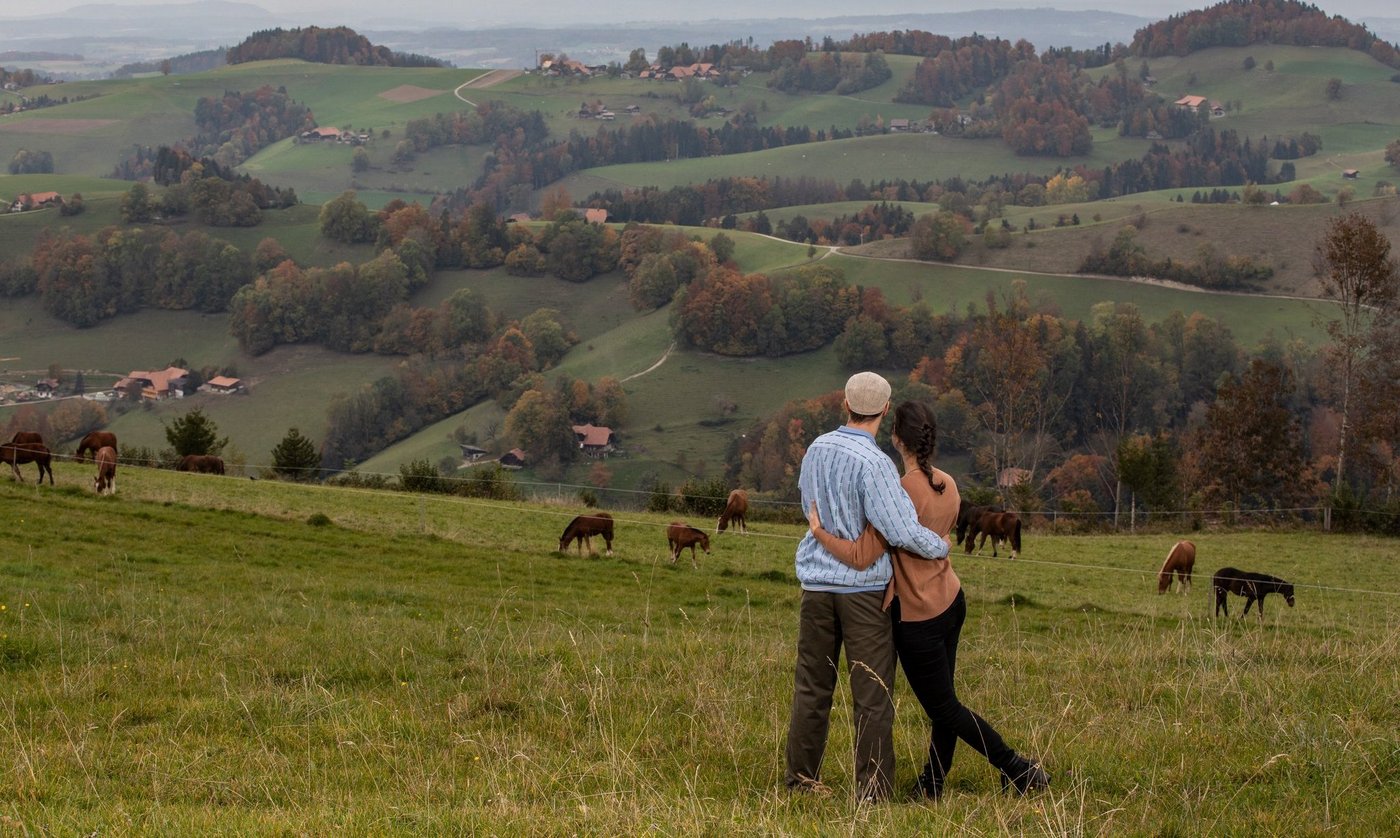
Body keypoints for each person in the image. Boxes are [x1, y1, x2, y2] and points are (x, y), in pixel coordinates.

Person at [808, 400, 1050, 798]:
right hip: (951, 600)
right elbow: (941, 538)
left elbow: (860, 555)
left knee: (945, 709)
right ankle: (933, 783)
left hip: (917, 615)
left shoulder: (899, 492)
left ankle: (1018, 769)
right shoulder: (949, 483)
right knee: (945, 703)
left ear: (896, 438)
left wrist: (819, 532)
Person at [785, 372, 951, 802]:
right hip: (862, 594)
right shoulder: (876, 464)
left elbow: (809, 508)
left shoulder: (816, 449)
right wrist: (940, 544)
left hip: (816, 588)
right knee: (872, 693)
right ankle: (873, 793)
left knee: (812, 686)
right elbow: (900, 530)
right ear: (883, 410)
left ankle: (801, 782)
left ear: (845, 405)